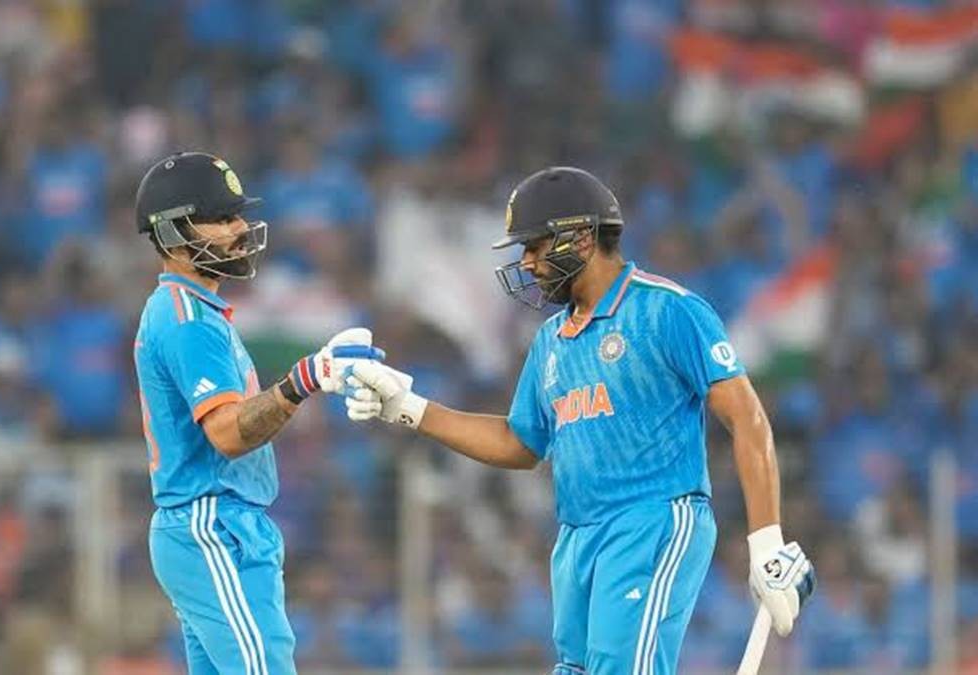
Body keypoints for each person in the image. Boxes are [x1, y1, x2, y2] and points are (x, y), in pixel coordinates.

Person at [345, 167, 816, 674]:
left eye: (535, 246)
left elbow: (746, 418)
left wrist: (766, 541)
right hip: (576, 537)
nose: (526, 263)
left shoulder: (667, 310)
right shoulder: (551, 339)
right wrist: (411, 408)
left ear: (582, 238)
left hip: (652, 521)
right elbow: (519, 442)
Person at [132, 152, 380, 675]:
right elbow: (227, 433)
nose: (239, 229)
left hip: (219, 525)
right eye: (221, 218)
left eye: (237, 216)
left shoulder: (197, 312)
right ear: (172, 233)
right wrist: (305, 379)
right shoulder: (188, 320)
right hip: (212, 523)